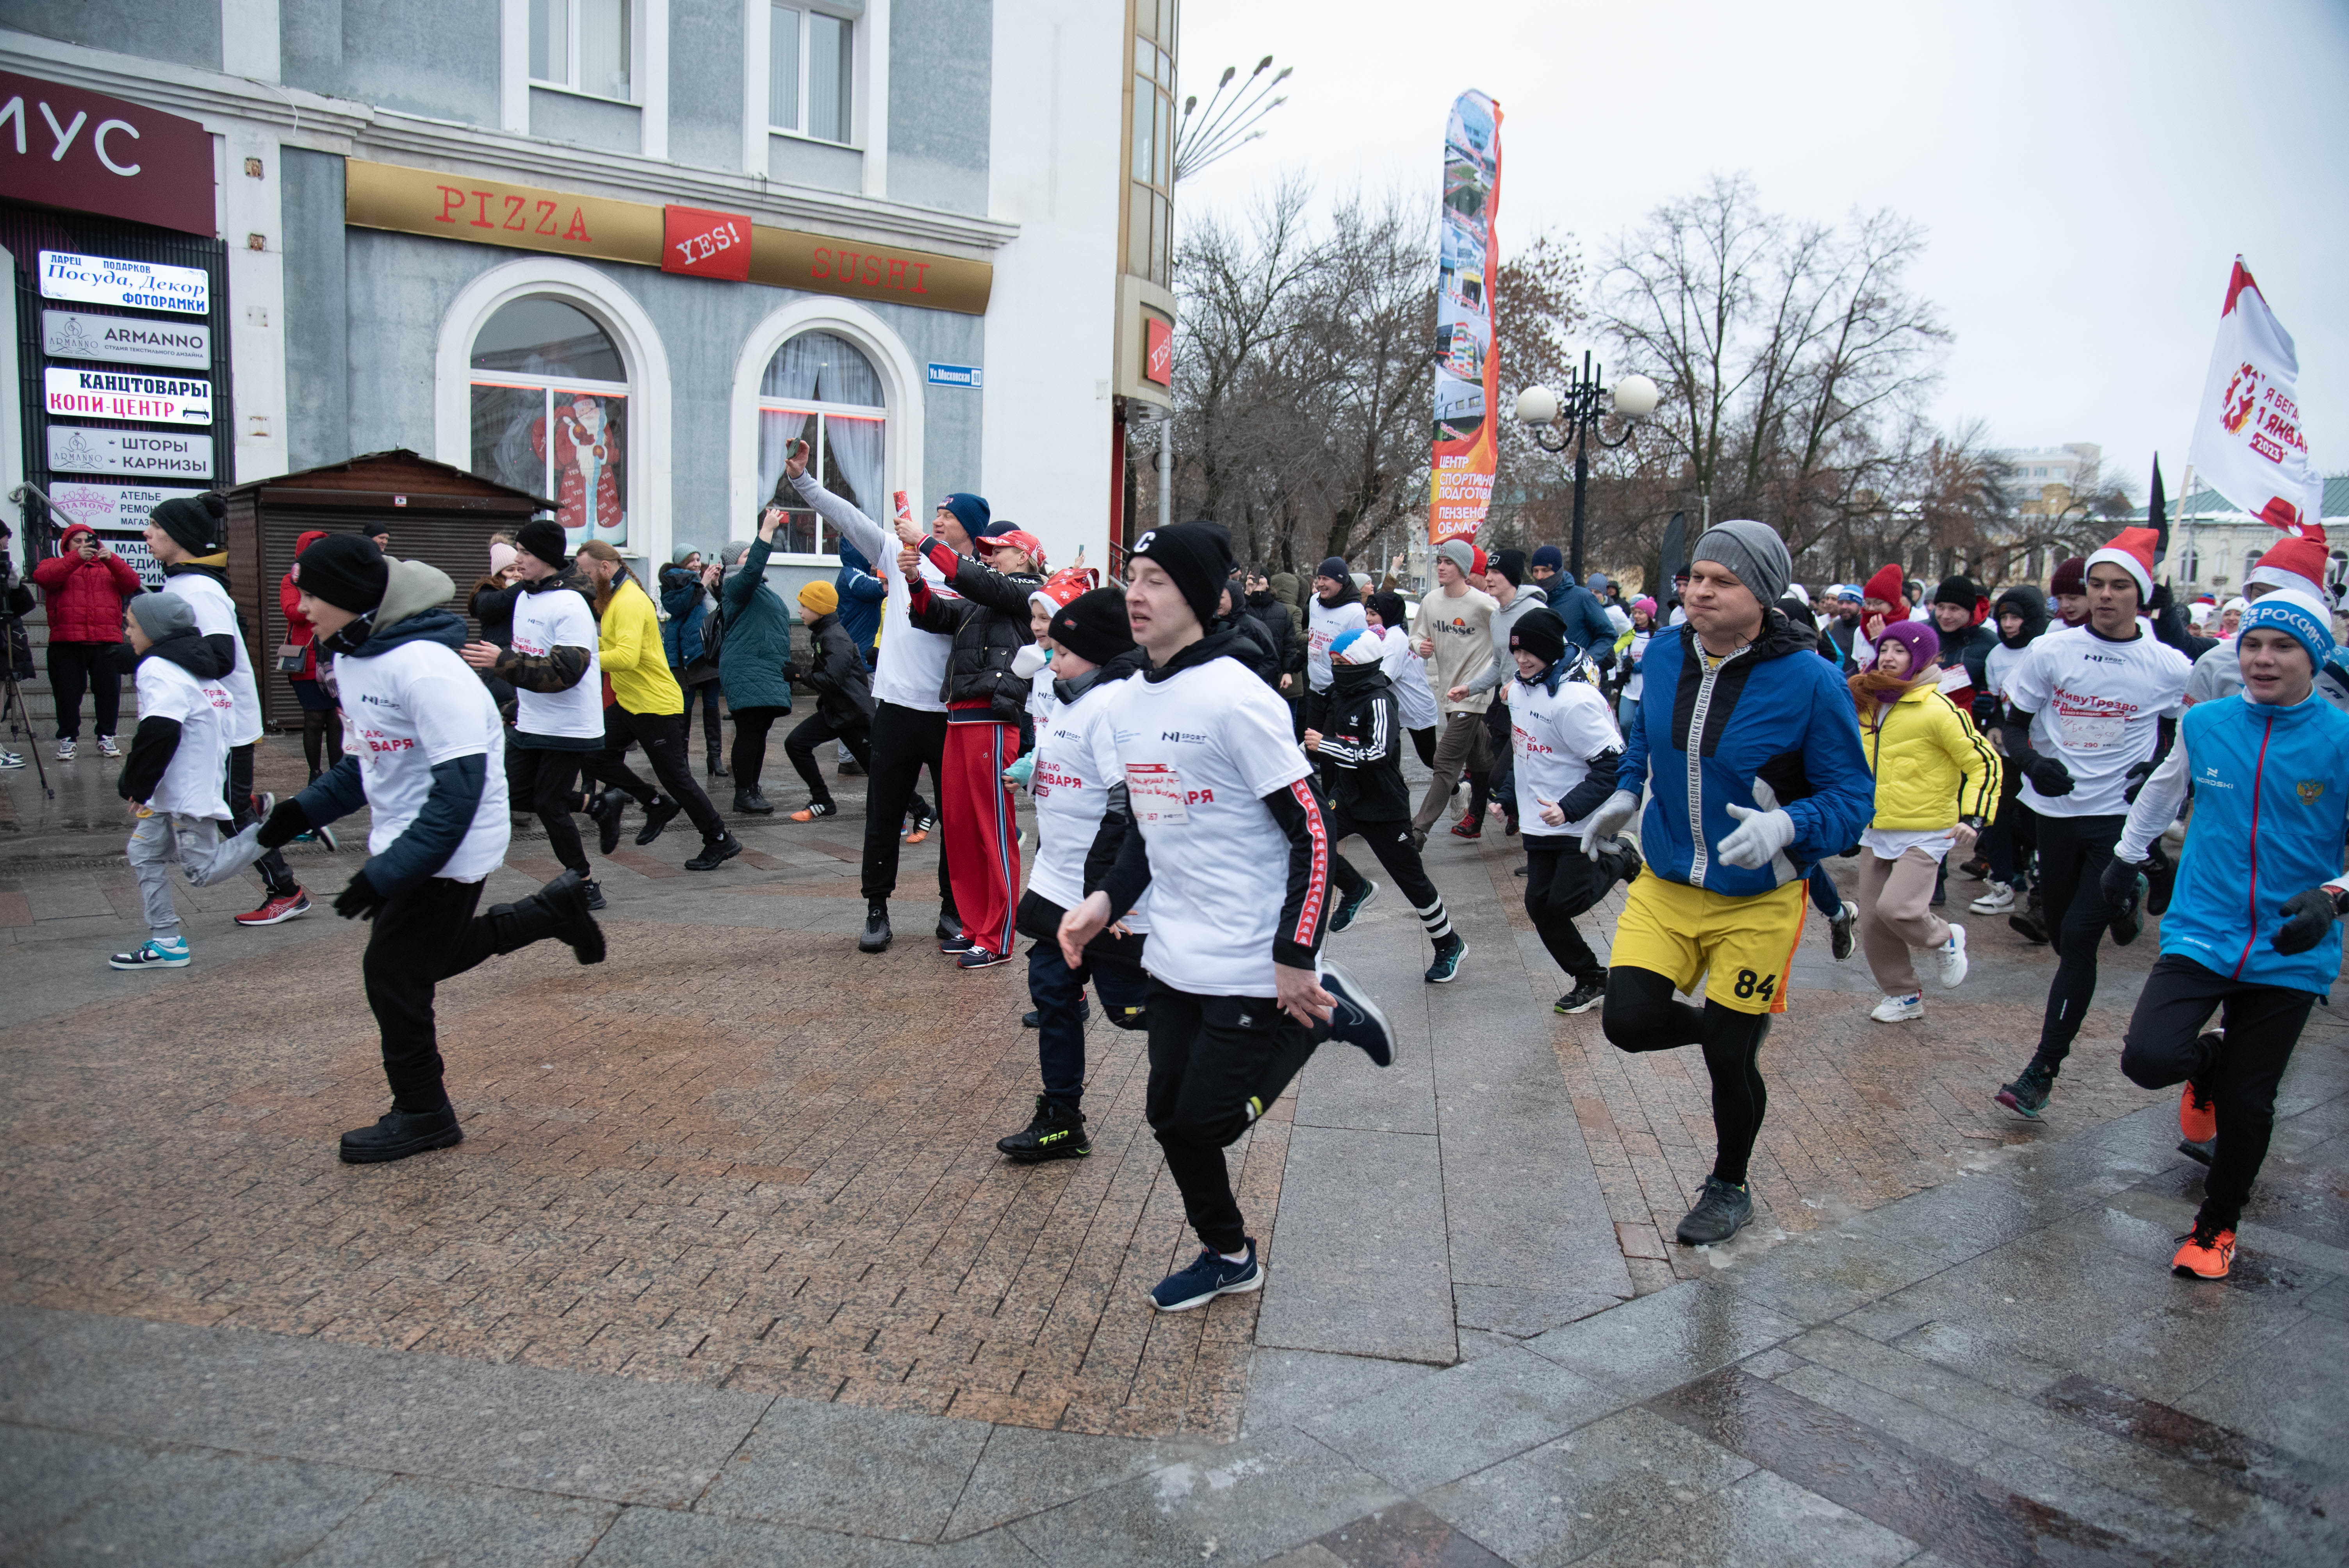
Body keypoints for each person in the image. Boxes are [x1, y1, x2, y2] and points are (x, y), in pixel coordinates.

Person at [1057, 520, 1394, 1313]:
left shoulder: (1238, 698)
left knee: (1204, 1121)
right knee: (1166, 1119)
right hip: (1174, 950)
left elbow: (1313, 830)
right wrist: (1103, 900)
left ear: (1204, 598)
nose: (1134, 595)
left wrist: (1295, 950)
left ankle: (1314, 1015)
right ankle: (1229, 1255)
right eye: (1130, 577)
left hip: (1252, 955)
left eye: (1156, 581)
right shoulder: (1128, 698)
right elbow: (1147, 823)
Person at [224, 535, 605, 1164]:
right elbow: (363, 763)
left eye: (312, 594)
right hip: (410, 838)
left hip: (453, 844)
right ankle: (552, 912)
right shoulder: (353, 657)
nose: (303, 606)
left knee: (393, 973)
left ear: (350, 598)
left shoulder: (428, 670)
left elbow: (460, 794)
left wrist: (385, 875)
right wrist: (296, 814)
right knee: (427, 957)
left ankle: (424, 1112)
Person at [1586, 521, 1874, 1245]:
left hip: (1760, 897)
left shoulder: (1811, 680)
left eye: (1722, 581)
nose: (1699, 591)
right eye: (1694, 577)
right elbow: (1648, 739)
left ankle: (1729, 1183)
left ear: (1763, 595)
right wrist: (1625, 792)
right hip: (1668, 881)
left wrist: (1789, 826)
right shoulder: (1662, 652)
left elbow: (1853, 799)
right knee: (1626, 1022)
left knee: (1729, 1058)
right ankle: (1726, 1036)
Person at [2103, 590, 2349, 1278]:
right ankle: (2204, 1065)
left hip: (2291, 944)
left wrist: (2334, 898)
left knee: (2249, 1103)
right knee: (2149, 1059)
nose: (2263, 659)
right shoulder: (2208, 722)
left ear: (2314, 657)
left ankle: (2215, 1228)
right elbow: (2163, 787)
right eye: (2252, 645)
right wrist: (2126, 859)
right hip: (2203, 930)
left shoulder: (2342, 739)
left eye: (2283, 647)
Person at [1991, 527, 2191, 1119]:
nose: (2104, 596)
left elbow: (2186, 736)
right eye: (2096, 584)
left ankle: (2041, 1073)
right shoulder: (2052, 652)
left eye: (2119, 586)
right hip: (2054, 813)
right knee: (2060, 935)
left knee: (2079, 939)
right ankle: (2131, 892)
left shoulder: (2169, 666)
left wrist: (2155, 769)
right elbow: (2007, 726)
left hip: (2119, 820)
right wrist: (2031, 761)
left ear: (2141, 595)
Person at [786, 441, 962, 954]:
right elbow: (850, 519)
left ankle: (952, 910)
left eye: (948, 517)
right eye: (936, 515)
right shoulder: (894, 553)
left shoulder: (968, 575)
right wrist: (804, 482)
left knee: (954, 821)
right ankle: (876, 909)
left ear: (968, 529)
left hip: (949, 715)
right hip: (896, 711)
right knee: (884, 813)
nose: (938, 522)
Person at [996, 586, 1153, 1162]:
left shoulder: (1113, 705)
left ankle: (1230, 1035)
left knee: (1130, 1010)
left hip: (1107, 894)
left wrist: (1102, 895)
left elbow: (1126, 801)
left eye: (1062, 651)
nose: (1051, 659)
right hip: (1056, 882)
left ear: (1098, 652)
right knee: (1053, 993)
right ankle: (1062, 1118)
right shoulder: (1068, 697)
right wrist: (1034, 773)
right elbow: (1068, 778)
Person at [144, 494, 310, 926]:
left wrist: (156, 653)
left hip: (227, 720)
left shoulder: (198, 588)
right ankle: (262, 812)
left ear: (179, 536)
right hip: (215, 720)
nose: (146, 533)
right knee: (230, 805)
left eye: (156, 528)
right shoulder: (186, 582)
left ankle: (287, 889)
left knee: (231, 811)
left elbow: (221, 656)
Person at [898, 516, 1048, 969]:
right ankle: (973, 924)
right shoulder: (986, 594)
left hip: (992, 720)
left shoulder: (1026, 592)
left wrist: (924, 543)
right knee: (961, 830)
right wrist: (913, 581)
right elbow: (934, 617)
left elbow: (977, 581)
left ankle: (997, 935)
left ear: (1024, 556)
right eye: (986, 549)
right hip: (960, 717)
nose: (988, 555)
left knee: (991, 830)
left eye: (998, 549)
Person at [1846, 620, 1996, 1023]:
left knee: (1899, 907)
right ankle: (1904, 996)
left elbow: (1983, 762)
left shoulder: (1939, 708)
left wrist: (1974, 816)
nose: (1889, 657)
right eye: (1885, 649)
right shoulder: (1865, 704)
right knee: (1874, 920)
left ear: (1922, 658)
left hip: (1927, 828)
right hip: (1876, 827)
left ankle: (1945, 937)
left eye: (1900, 650)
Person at [1307, 628, 1468, 984]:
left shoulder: (1380, 700)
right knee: (1308, 839)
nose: (1335, 669)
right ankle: (1355, 889)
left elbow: (1377, 753)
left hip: (1383, 805)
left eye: (1341, 663)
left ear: (1361, 663)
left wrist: (1326, 746)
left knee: (1413, 882)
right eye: (1332, 663)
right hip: (1347, 797)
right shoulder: (1339, 694)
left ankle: (1449, 944)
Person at [460, 519, 606, 908]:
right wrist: (514, 705)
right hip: (531, 718)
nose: (517, 560)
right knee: (513, 791)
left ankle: (585, 882)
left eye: (524, 553)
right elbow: (530, 651)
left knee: (549, 803)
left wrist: (503, 661)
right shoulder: (525, 595)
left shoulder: (571, 604)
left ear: (545, 557)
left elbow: (565, 671)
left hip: (569, 726)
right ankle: (599, 805)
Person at [1505, 608, 1641, 1014]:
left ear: (1551, 650)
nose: (1522, 659)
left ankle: (1622, 860)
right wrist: (1503, 796)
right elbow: (1519, 749)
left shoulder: (1576, 700)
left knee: (1564, 902)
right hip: (1539, 820)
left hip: (1578, 820)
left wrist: (1568, 808)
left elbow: (1613, 765)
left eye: (1530, 651)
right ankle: (1591, 978)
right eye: (1516, 651)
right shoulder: (1519, 689)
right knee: (1539, 907)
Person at [574, 541, 740, 871]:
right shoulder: (615, 599)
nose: (585, 580)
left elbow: (626, 656)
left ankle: (719, 839)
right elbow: (612, 643)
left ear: (605, 569)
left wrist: (581, 660)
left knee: (678, 779)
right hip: (630, 703)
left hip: (655, 705)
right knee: (591, 755)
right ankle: (654, 803)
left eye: (587, 573)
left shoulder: (630, 601)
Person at [106, 592, 249, 970]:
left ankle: (279, 826)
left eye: (132, 626)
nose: (127, 632)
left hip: (183, 792)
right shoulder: (202, 671)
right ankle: (166, 940)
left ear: (154, 631)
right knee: (143, 853)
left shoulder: (159, 668)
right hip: (173, 790)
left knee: (201, 871)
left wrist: (136, 784)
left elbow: (159, 729)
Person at [1452, 548, 1551, 837]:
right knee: (1498, 769)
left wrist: (1520, 680)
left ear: (1512, 578)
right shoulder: (1497, 617)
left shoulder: (1536, 612)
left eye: (1497, 573)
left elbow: (1558, 658)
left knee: (1502, 774)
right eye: (1489, 572)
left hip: (1539, 705)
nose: (1489, 578)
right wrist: (1470, 687)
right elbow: (1499, 666)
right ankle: (1524, 819)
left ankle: (1535, 820)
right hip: (1509, 705)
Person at [1407, 540, 1499, 845]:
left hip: (1474, 693)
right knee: (1481, 759)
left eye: (1449, 563)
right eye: (1439, 562)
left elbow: (1512, 631)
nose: (1442, 567)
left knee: (1445, 761)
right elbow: (1416, 635)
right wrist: (1420, 646)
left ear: (1463, 569)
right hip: (1449, 691)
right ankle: (1506, 784)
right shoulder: (1432, 601)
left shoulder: (1484, 604)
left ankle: (1419, 830)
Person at [706, 520, 799, 816]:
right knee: (749, 731)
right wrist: (767, 532)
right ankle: (743, 793)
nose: (754, 559)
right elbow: (753, 567)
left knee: (759, 732)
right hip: (747, 668)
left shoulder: (758, 590)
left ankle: (751, 790)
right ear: (735, 565)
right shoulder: (737, 586)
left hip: (765, 669)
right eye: (746, 556)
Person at [2184, 529, 2335, 707]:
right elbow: (2190, 728)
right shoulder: (2215, 662)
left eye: (2282, 596)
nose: (2268, 604)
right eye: (2259, 595)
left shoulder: (2340, 671)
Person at [1968, 584, 2048, 919]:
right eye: (2003, 617)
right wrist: (1987, 711)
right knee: (1997, 816)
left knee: (2034, 818)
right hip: (2005, 748)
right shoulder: (1996, 655)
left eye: (2016, 617)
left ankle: (2042, 879)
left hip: (2041, 749)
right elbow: (1996, 700)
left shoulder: (2044, 649)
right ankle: (2001, 883)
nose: (2009, 624)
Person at [31, 522, 140, 762]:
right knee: (67, 694)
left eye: (87, 541)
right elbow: (44, 578)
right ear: (66, 545)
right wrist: (76, 559)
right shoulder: (55, 564)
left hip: (106, 641)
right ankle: (68, 740)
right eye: (77, 541)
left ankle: (106, 737)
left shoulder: (108, 565)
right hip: (66, 642)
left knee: (109, 693)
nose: (83, 546)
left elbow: (132, 584)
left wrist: (112, 559)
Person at [782, 579, 879, 821]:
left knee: (877, 771)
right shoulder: (823, 634)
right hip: (836, 712)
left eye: (804, 606)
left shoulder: (834, 637)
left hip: (853, 715)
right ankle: (822, 800)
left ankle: (921, 810)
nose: (800, 611)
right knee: (796, 743)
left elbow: (832, 679)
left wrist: (799, 675)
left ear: (819, 609)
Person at [273, 528, 346, 789]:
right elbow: (292, 612)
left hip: (334, 656)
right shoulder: (290, 581)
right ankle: (315, 773)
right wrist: (322, 602)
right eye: (313, 547)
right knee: (315, 718)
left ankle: (338, 774)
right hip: (307, 660)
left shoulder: (335, 577)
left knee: (336, 719)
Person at [658, 544, 727, 780]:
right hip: (687, 656)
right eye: (691, 560)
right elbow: (678, 607)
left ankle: (715, 757)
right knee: (684, 708)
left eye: (699, 559)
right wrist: (703, 583)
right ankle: (682, 759)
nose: (697, 564)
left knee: (712, 705)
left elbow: (724, 606)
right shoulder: (672, 583)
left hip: (709, 652)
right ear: (680, 563)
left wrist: (717, 585)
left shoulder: (702, 581)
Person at [1301, 556, 1367, 768]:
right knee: (1312, 750)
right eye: (1319, 578)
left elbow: (1359, 656)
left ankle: (1334, 799)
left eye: (1326, 579)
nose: (1321, 584)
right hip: (1315, 688)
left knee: (1329, 753)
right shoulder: (1314, 602)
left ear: (1341, 582)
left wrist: (1342, 687)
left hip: (1338, 692)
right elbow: (1314, 638)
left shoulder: (1355, 611)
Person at [1365, 590, 1437, 767]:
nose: (1368, 618)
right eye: (1366, 613)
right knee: (1387, 757)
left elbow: (1384, 679)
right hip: (1397, 710)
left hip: (1416, 708)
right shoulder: (1386, 635)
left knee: (1431, 760)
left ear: (1387, 614)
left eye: (1373, 614)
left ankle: (1458, 790)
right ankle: (1392, 791)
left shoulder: (1395, 638)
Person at [1928, 575, 1998, 712]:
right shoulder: (1919, 634)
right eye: (1941, 607)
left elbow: (1996, 692)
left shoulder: (1990, 643)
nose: (1945, 615)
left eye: (1954, 609)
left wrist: (1988, 707)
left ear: (1969, 611)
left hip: (1964, 724)